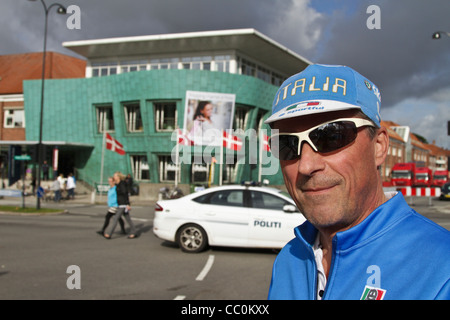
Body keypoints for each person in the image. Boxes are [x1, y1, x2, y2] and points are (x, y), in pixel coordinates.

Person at [265, 64, 450, 300]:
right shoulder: (288, 260)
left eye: (331, 136)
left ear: (379, 147)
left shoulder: (442, 271)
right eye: (287, 144)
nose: (306, 166)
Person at [103, 171, 138, 239]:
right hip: (120, 204)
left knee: (116, 218)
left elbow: (125, 194)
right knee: (128, 219)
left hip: (123, 204)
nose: (114, 177)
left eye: (115, 176)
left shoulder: (122, 184)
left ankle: (109, 234)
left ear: (118, 177)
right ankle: (134, 232)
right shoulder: (118, 184)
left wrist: (127, 204)